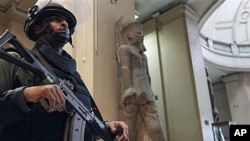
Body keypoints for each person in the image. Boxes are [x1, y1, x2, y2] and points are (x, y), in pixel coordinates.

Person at [0, 2, 128, 141]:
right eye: (57, 19)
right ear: (37, 28)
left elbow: (77, 123)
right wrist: (28, 94)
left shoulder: (75, 77)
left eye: (67, 21)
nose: (65, 23)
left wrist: (106, 127)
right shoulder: (16, 62)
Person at [116, 16, 165, 141]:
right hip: (133, 91)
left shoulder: (143, 56)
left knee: (154, 125)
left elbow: (147, 75)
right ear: (129, 35)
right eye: (139, 33)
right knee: (130, 122)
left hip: (146, 91)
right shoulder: (124, 49)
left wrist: (151, 92)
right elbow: (125, 68)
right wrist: (128, 88)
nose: (142, 36)